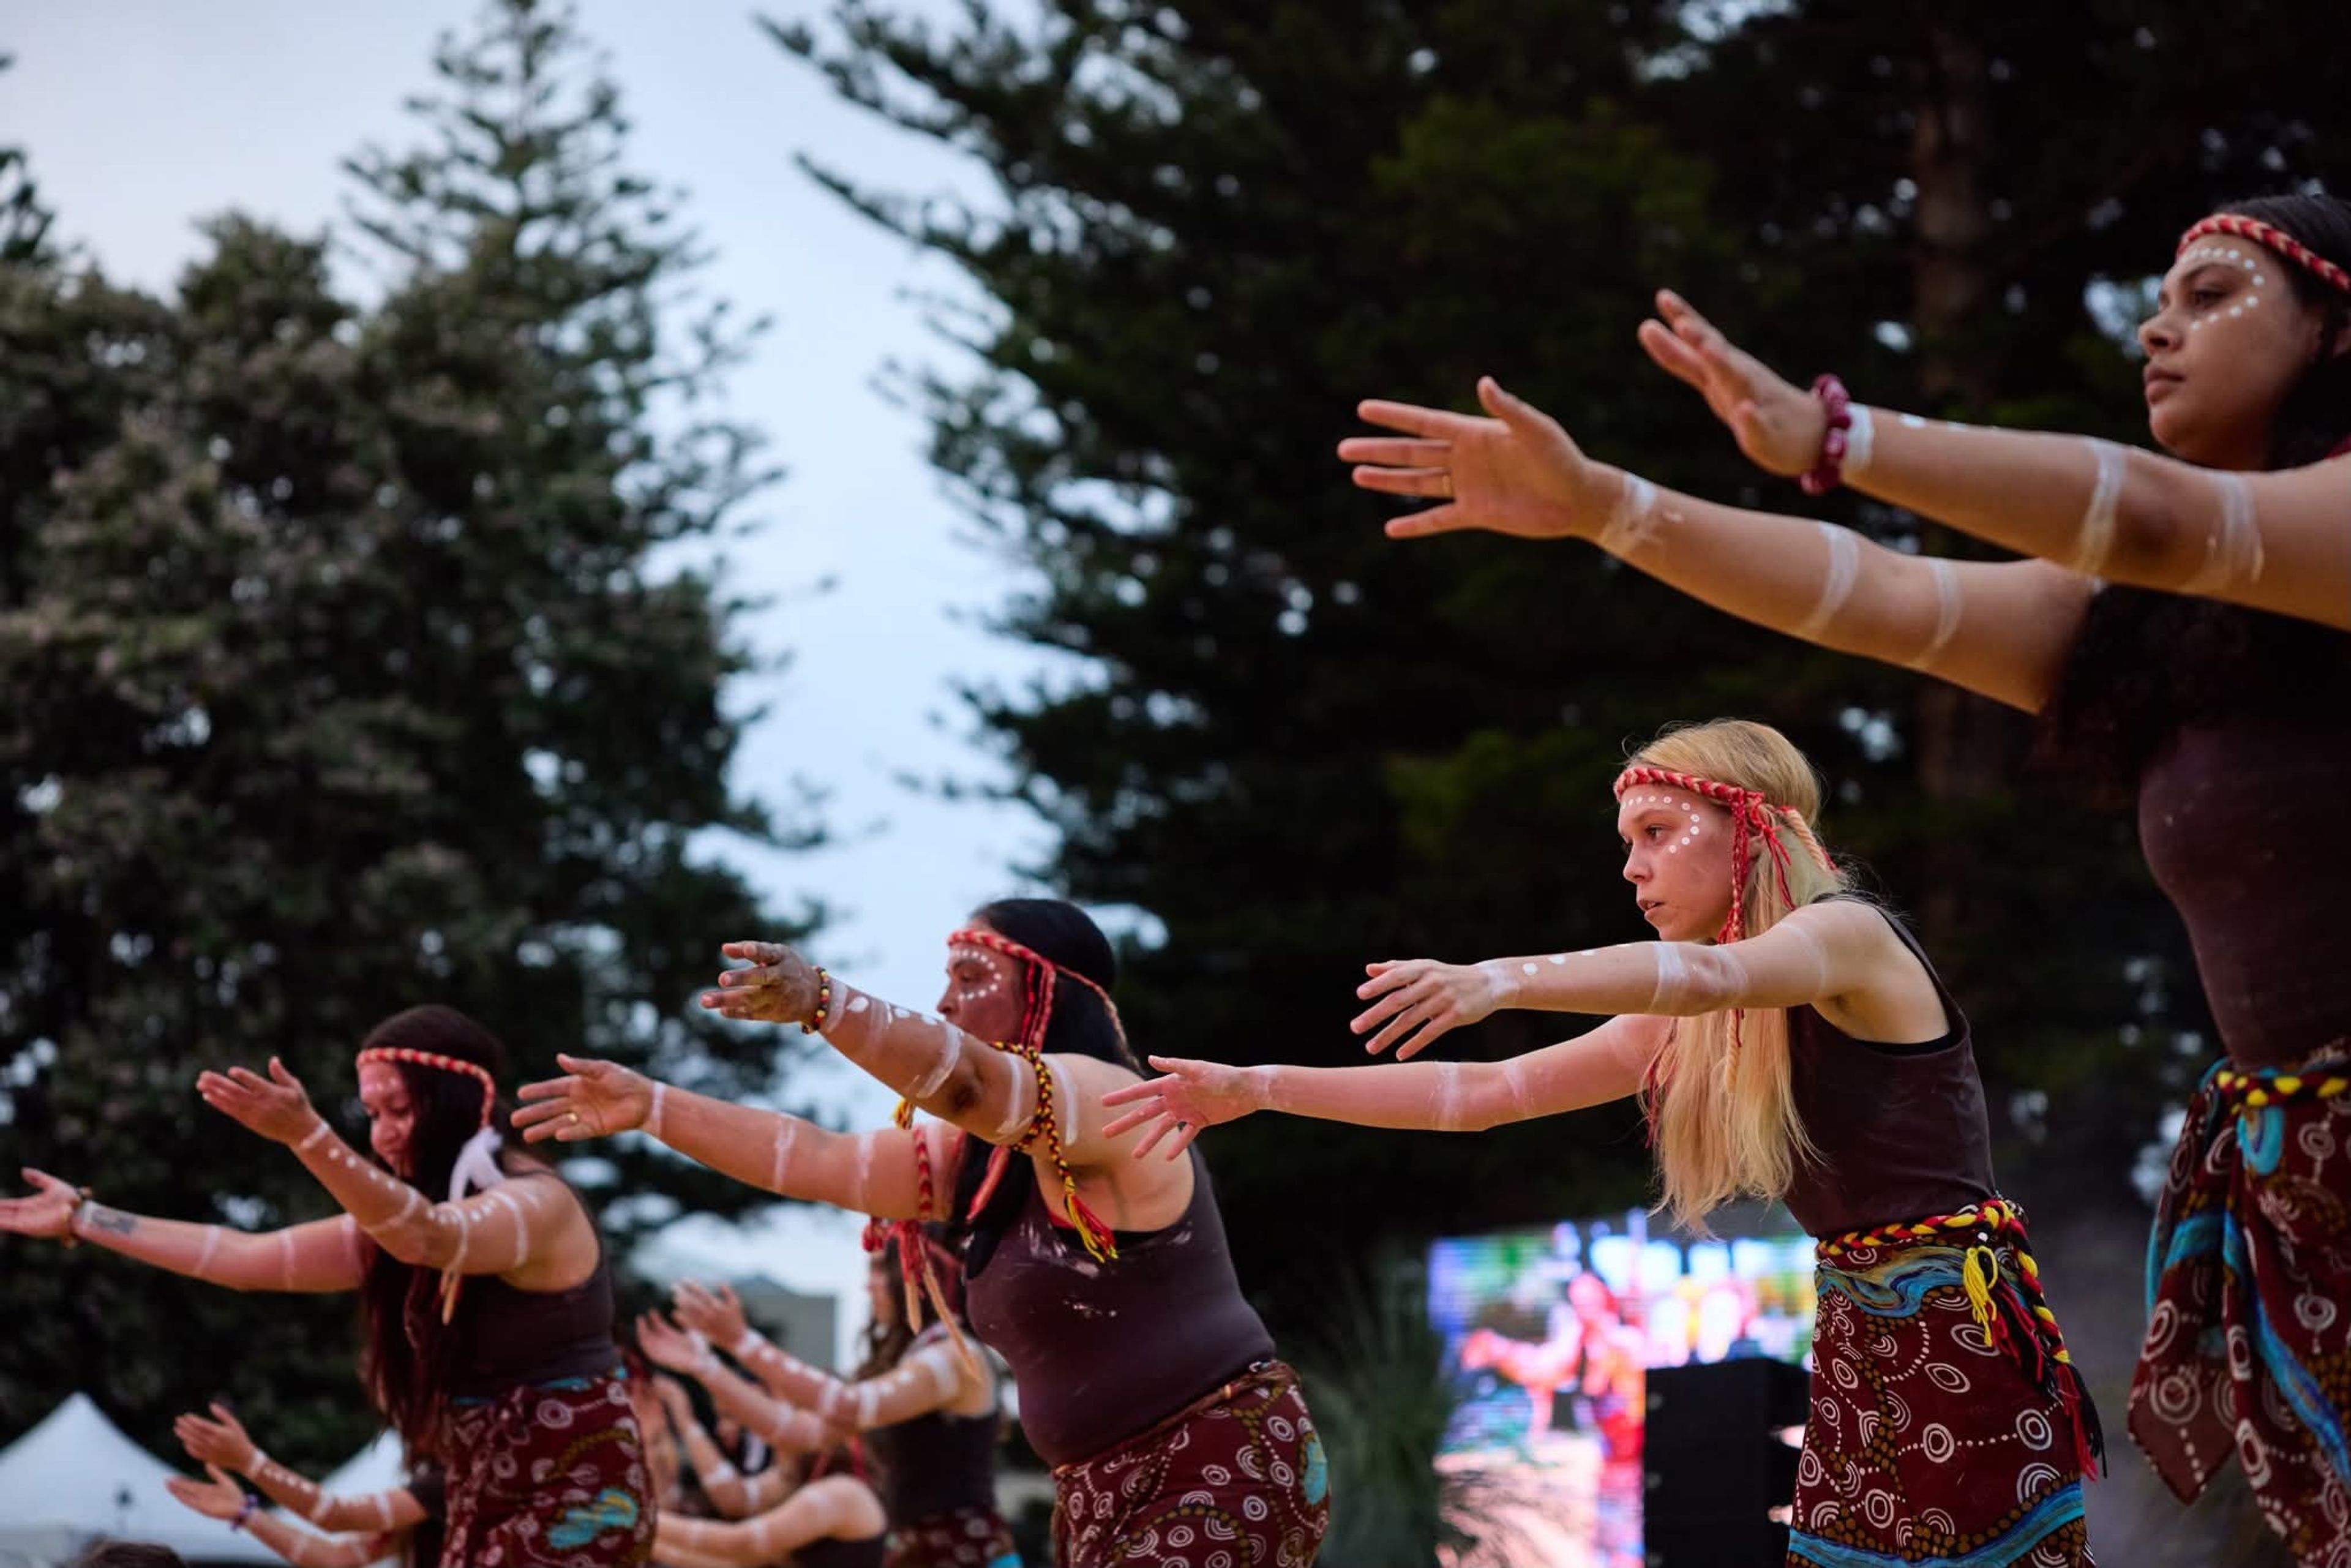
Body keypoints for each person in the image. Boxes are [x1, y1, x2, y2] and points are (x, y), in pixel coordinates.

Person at [1337, 193, 2351, 1565]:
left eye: (2216, 293)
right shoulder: (2148, 629)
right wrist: (1605, 505)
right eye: (2160, 295)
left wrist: (1838, 436)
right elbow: (1871, 591)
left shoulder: (1838, 934)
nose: (2159, 326)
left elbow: (2159, 514)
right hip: (2292, 1183)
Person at [1106, 719, 2099, 1566]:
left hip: (1961, 1328)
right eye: (1629, 840)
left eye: (1659, 832)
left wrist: (1503, 978)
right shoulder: (1703, 1011)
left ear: (1752, 825)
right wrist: (1262, 1088)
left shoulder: (1847, 935)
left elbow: (1709, 979)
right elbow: (1487, 1092)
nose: (1632, 866)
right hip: (1861, 1336)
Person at [513, 898, 1329, 1567]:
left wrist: (825, 1002)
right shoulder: (981, 1157)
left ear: (1047, 992)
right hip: (1098, 1486)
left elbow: (972, 1081)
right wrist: (653, 1108)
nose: (945, 1001)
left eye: (972, 977)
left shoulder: (1112, 1098)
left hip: (1217, 1453)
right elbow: (817, 1157)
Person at [0, 1005, 651, 1567]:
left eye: (401, 1108)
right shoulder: (403, 1221)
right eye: (371, 1112)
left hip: (581, 1502)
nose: (383, 1131)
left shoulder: (535, 1205)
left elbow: (426, 1236)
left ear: (456, 1102)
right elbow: (241, 1257)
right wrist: (86, 1218)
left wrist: (308, 1135)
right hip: (483, 1504)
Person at [659, 1253, 1021, 1568]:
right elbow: (795, 1433)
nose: (868, 1286)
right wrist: (705, 1368)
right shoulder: (920, 1359)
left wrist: (742, 1342)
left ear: (923, 1271)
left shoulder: (954, 1356)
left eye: (880, 1270)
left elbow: (846, 1407)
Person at [170, 1402, 444, 1568]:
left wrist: (250, 1462)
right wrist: (247, 1514)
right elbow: (334, 1558)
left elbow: (338, 1515)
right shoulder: (436, 1487)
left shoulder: (446, 1484)